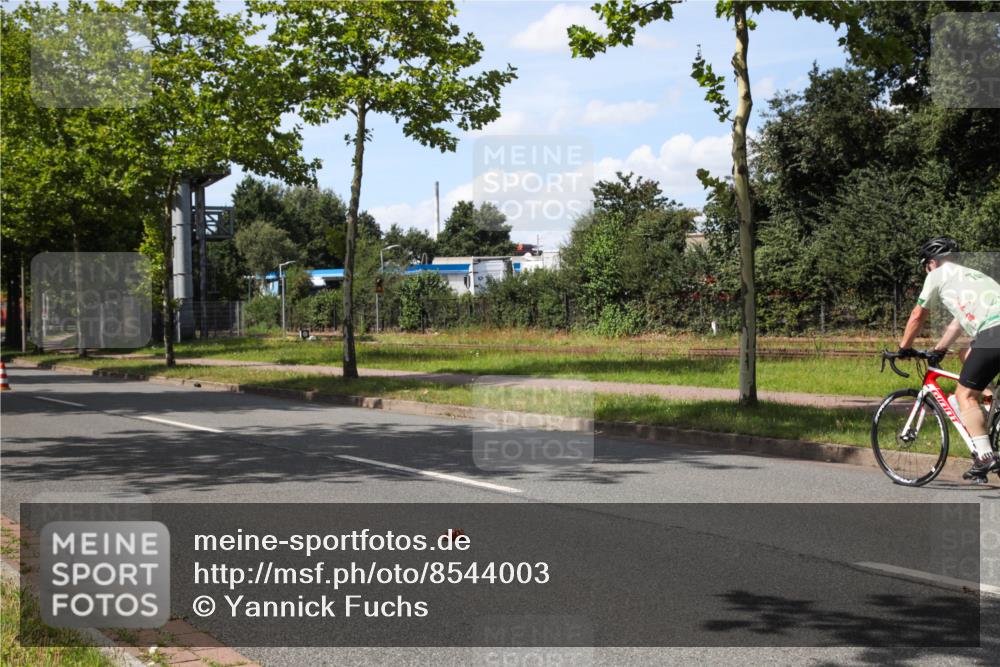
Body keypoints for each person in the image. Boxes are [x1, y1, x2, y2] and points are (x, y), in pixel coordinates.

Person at [898, 237, 1000, 483]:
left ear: (931, 263)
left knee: (965, 395)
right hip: (992, 334)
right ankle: (991, 404)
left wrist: (904, 348)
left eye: (926, 266)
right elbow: (958, 323)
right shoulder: (973, 276)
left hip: (994, 333)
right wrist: (940, 348)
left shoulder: (937, 275)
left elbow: (918, 315)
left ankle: (984, 456)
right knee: (966, 353)